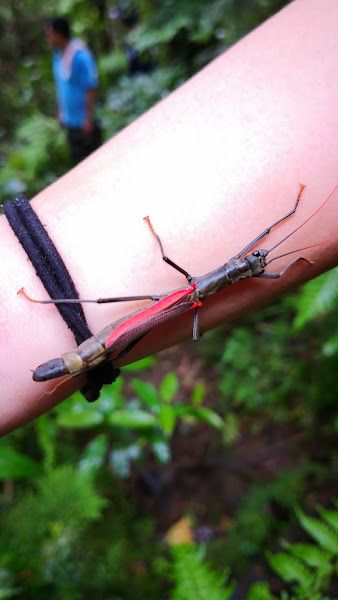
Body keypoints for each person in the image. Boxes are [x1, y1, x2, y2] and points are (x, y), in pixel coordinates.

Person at [0, 0, 337, 436]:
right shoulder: (214, 288)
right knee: (105, 315)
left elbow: (255, 266)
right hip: (178, 304)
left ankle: (65, 338)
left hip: (178, 302)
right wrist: (290, 211)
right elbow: (259, 249)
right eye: (250, 263)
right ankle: (53, 316)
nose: (252, 263)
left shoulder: (211, 287)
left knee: (107, 330)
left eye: (251, 265)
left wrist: (284, 259)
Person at [46, 17, 102, 163]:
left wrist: (88, 119)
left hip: (85, 122)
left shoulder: (81, 55)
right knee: (78, 163)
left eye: (50, 34)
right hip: (70, 122)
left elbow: (91, 86)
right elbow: (61, 85)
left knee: (94, 162)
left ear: (59, 34)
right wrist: (60, 111)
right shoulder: (57, 56)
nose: (49, 38)